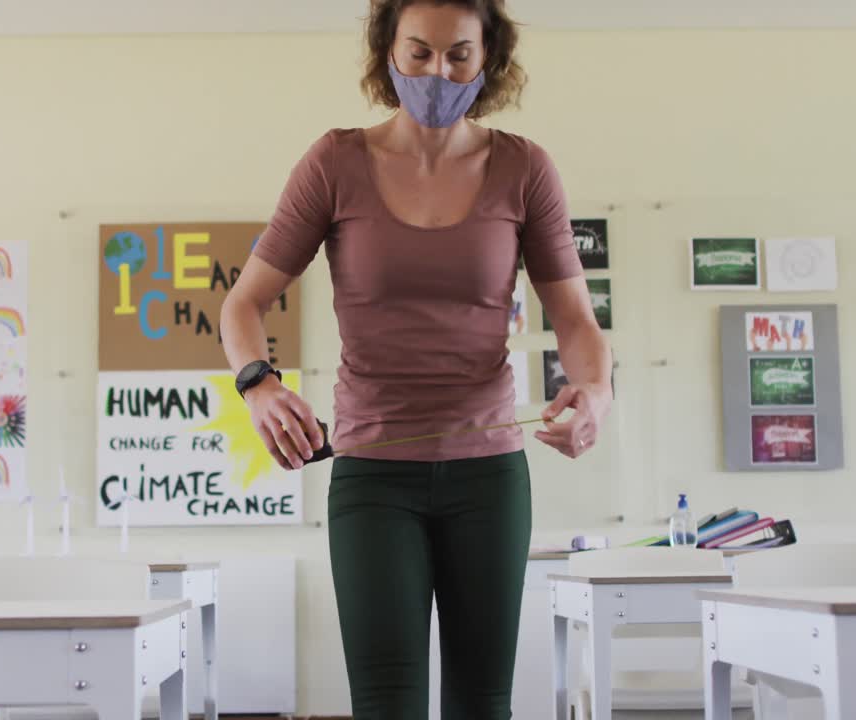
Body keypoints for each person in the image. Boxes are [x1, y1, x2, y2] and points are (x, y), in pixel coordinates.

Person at [219, 0, 612, 716]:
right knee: (387, 702)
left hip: (488, 473)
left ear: (488, 56)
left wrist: (594, 391)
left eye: (459, 53)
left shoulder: (523, 169)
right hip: (374, 477)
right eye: (420, 52)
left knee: (482, 702)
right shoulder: (336, 162)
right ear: (387, 52)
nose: (439, 70)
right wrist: (259, 384)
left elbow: (577, 319)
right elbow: (242, 304)